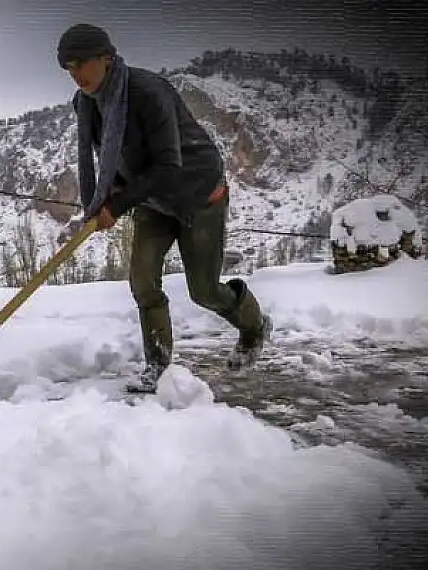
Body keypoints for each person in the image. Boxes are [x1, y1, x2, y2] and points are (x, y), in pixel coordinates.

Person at [56, 23, 273, 393]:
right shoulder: (86, 104)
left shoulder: (148, 92)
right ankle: (158, 365)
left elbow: (168, 164)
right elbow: (110, 161)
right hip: (152, 200)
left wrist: (118, 204)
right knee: (142, 282)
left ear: (106, 59)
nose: (76, 75)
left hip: (198, 195)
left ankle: (254, 326)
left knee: (204, 291)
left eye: (82, 64)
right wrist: (104, 203)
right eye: (68, 68)